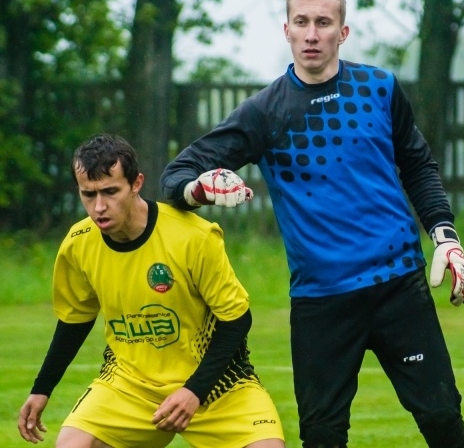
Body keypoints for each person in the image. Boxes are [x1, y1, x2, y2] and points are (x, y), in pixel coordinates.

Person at [160, 0, 464, 448]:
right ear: (286, 30)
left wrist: (445, 235)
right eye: (302, 22)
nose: (312, 34)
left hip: (398, 288)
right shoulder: (264, 112)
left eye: (323, 23)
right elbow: (175, 176)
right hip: (321, 302)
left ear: (342, 33)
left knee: (442, 417)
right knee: (323, 436)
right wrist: (199, 190)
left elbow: (418, 166)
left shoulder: (380, 88)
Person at [18, 134, 284, 448]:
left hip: (219, 388)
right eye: (88, 194)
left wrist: (193, 392)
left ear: (136, 183)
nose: (99, 206)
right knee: (73, 444)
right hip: (130, 385)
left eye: (110, 191)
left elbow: (236, 320)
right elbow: (74, 322)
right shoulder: (79, 243)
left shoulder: (193, 236)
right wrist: (42, 388)